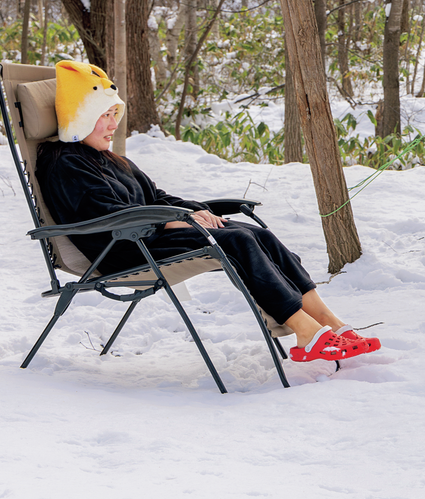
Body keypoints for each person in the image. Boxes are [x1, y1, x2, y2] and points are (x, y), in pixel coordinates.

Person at [36, 60, 380, 364]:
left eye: (115, 115)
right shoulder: (64, 164)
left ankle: (329, 325)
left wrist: (195, 211)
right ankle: (306, 333)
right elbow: (108, 216)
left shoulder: (110, 157)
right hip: (122, 250)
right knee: (238, 243)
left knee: (254, 233)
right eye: (103, 116)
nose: (113, 125)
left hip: (146, 236)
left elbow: (154, 195)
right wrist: (173, 219)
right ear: (79, 117)